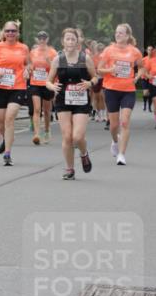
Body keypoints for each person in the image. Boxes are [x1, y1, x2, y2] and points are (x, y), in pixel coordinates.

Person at [46, 27, 96, 179]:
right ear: (63, 41)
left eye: (73, 39)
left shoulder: (84, 58)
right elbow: (48, 81)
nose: (70, 41)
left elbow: (95, 78)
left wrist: (89, 83)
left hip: (81, 100)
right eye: (67, 39)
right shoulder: (58, 59)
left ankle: (84, 153)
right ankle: (69, 169)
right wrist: (52, 86)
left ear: (77, 41)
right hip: (63, 100)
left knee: (78, 137)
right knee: (67, 136)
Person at [0, 21, 30, 166]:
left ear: (18, 33)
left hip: (17, 86)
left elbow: (29, 63)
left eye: (13, 31)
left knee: (10, 119)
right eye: (8, 31)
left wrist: (28, 69)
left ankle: (7, 153)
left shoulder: (23, 48)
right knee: (0, 123)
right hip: (0, 87)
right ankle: (6, 139)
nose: (10, 33)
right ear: (4, 33)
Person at [97, 23, 143, 166]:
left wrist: (137, 77)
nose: (117, 35)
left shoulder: (135, 51)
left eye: (121, 33)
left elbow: (141, 68)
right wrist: (111, 70)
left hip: (128, 90)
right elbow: (99, 69)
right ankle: (115, 141)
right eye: (116, 32)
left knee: (125, 121)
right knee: (114, 125)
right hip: (111, 89)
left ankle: (122, 154)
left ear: (128, 36)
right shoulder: (109, 50)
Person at [28, 31, 57, 144]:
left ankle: (46, 130)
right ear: (37, 39)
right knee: (36, 109)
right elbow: (30, 66)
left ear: (47, 39)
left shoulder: (52, 52)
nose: (42, 40)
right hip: (35, 83)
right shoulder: (33, 52)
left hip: (47, 84)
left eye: (44, 38)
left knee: (46, 110)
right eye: (40, 38)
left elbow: (56, 69)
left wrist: (49, 62)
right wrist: (28, 70)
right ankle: (36, 134)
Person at [141, 45, 154, 112]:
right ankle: (144, 103)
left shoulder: (155, 59)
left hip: (152, 78)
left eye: (151, 50)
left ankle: (149, 107)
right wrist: (146, 75)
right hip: (145, 77)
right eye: (149, 50)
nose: (150, 51)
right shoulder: (144, 59)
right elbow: (142, 69)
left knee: (150, 93)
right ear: (147, 51)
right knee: (145, 93)